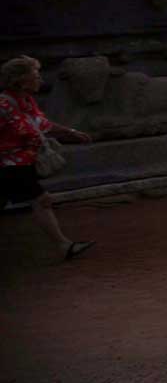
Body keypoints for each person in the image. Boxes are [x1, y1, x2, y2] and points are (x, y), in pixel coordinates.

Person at [1, 55, 96, 261]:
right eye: (35, 76)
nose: (40, 80)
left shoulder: (26, 102)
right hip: (9, 165)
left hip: (21, 163)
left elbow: (43, 125)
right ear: (21, 80)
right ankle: (64, 245)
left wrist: (71, 132)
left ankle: (64, 245)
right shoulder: (3, 106)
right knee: (41, 200)